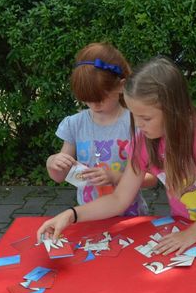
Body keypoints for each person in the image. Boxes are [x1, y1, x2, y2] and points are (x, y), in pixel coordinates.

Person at [38, 56, 196, 255]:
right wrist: (71, 215)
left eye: (146, 118)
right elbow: (119, 199)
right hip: (184, 227)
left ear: (173, 109)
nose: (139, 125)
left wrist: (193, 233)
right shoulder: (143, 143)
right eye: (134, 116)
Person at [46, 42, 155, 215]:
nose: (94, 105)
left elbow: (152, 179)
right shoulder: (75, 124)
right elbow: (61, 176)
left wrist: (115, 177)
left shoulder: (136, 123)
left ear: (121, 86)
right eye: (87, 99)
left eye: (100, 98)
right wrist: (53, 162)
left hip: (130, 215)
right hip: (89, 215)